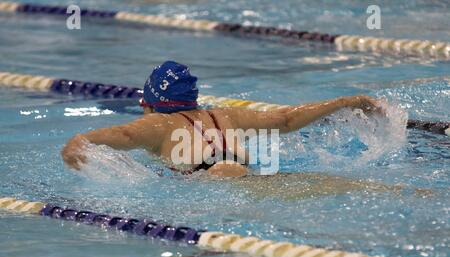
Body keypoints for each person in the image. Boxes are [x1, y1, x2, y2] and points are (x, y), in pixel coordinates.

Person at [62, 61, 382, 177]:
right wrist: (346, 101)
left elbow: (123, 137)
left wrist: (79, 142)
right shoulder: (227, 114)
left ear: (150, 104)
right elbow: (285, 119)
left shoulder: (154, 125)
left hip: (217, 186)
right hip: (254, 176)